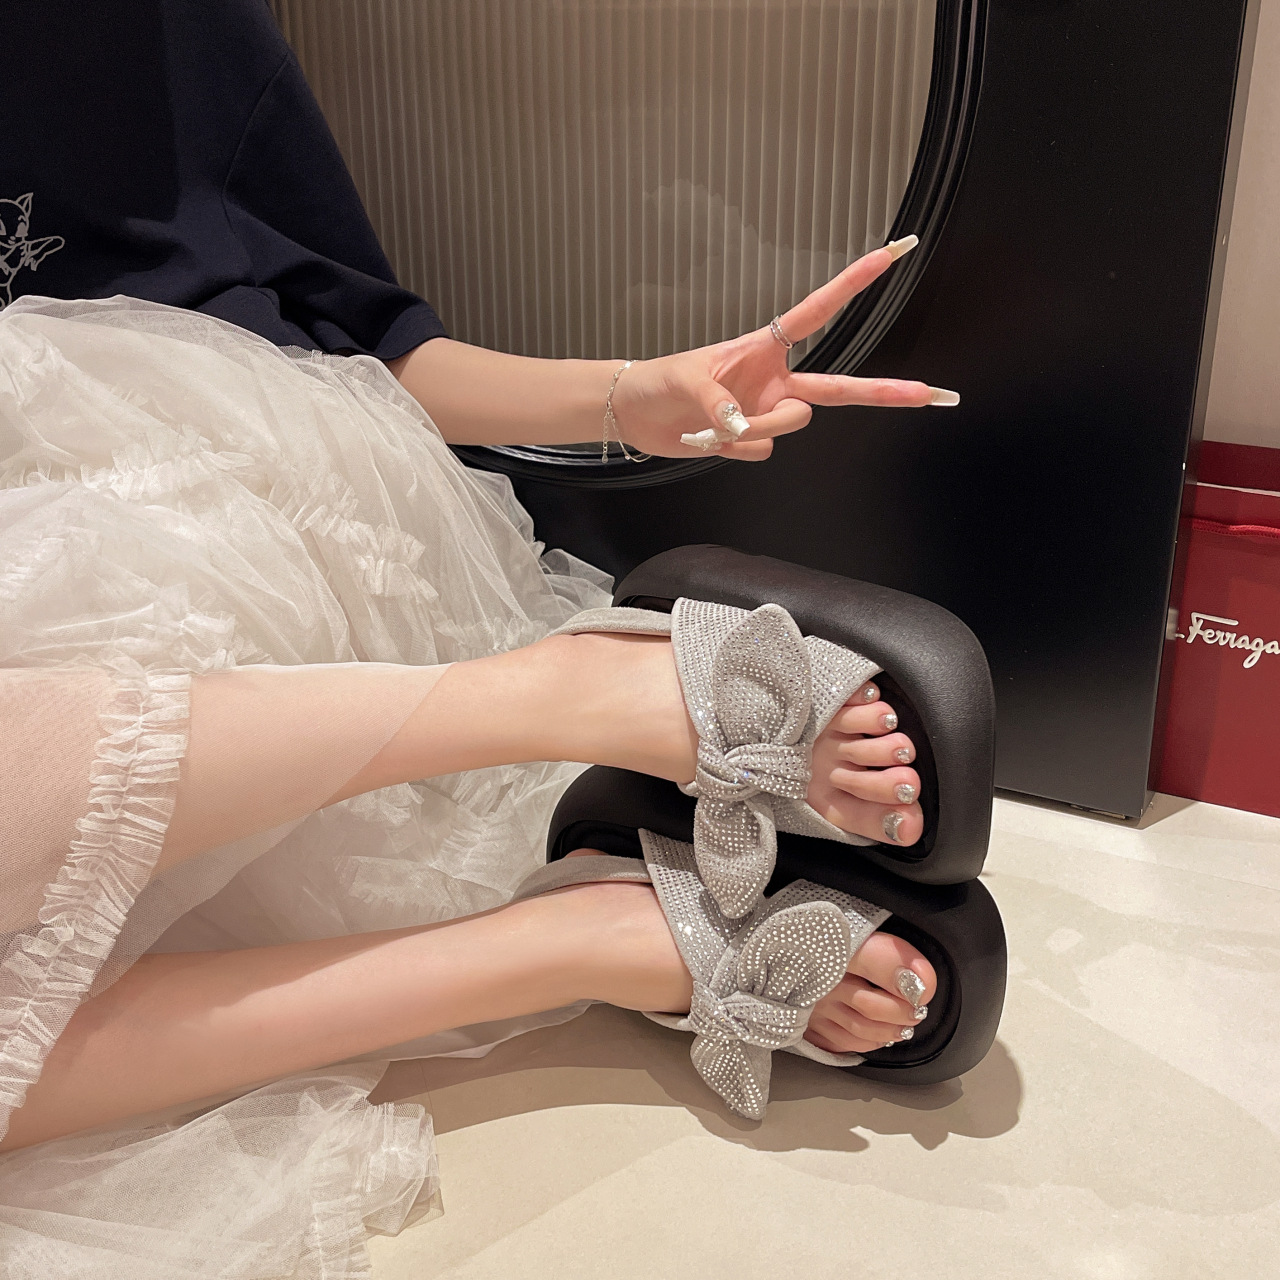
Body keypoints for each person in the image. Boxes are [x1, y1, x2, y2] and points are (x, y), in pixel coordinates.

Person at [0, 3, 958, 1273]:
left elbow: (364, 337)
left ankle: (557, 693)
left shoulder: (148, 28)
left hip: (179, 498)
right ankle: (573, 939)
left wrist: (623, 397)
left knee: (109, 587)